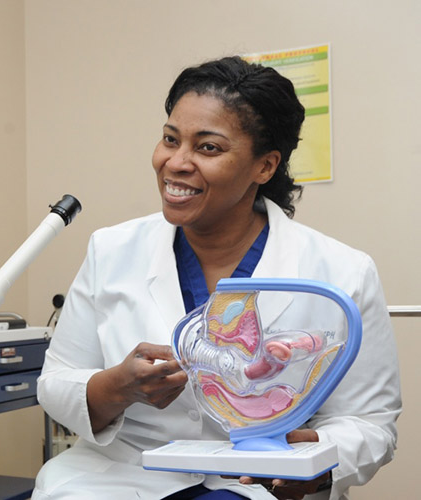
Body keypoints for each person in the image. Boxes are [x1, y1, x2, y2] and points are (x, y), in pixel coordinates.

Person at [34, 56, 401, 500]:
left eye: (208, 148)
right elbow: (56, 383)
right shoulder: (111, 249)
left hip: (254, 484)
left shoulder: (342, 271)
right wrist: (117, 387)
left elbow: (369, 421)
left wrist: (315, 459)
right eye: (171, 139)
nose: (176, 162)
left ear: (264, 167)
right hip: (119, 476)